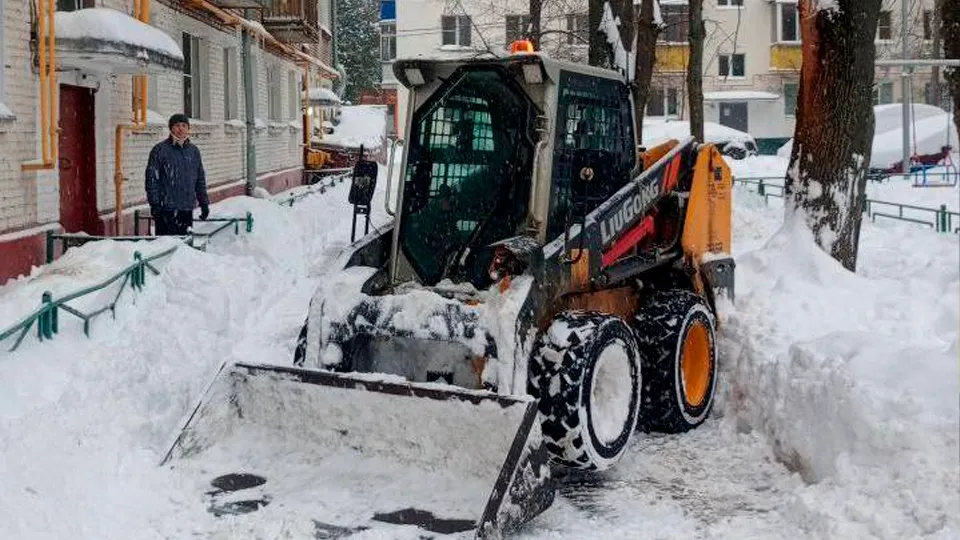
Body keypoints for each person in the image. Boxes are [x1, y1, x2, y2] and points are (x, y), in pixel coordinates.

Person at [145, 113, 210, 235]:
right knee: (166, 244)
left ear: (188, 128)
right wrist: (155, 204)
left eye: (184, 125)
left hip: (186, 208)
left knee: (184, 244)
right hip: (165, 208)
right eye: (177, 125)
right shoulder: (160, 150)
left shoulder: (193, 151)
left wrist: (204, 203)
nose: (181, 129)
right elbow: (152, 179)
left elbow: (199, 179)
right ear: (171, 128)